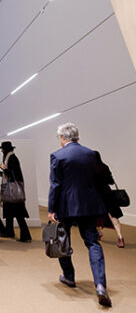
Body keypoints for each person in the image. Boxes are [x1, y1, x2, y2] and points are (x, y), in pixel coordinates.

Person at [48, 123, 111, 307]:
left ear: (62, 137)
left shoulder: (58, 156)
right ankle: (100, 284)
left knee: (62, 240)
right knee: (93, 242)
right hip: (88, 205)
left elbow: (55, 185)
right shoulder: (90, 154)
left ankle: (69, 276)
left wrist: (51, 209)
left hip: (66, 206)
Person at [0, 141, 32, 243]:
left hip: (12, 191)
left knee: (18, 214)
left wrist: (3, 168)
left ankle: (25, 236)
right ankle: (9, 232)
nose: (2, 151)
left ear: (5, 150)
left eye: (2, 149)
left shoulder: (12, 158)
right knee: (10, 213)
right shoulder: (11, 157)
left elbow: (12, 173)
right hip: (12, 190)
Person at [94, 151, 125, 248]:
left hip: (96, 195)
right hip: (107, 193)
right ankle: (120, 237)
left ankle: (99, 233)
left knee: (95, 215)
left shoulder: (89, 168)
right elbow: (111, 181)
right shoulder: (104, 167)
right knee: (113, 216)